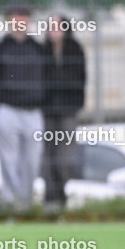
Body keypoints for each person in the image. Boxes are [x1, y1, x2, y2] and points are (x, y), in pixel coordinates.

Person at [0, 5, 46, 214]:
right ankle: (9, 201)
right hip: (8, 108)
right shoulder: (0, 48)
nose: (19, 22)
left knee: (32, 160)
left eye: (23, 18)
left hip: (32, 110)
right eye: (15, 18)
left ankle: (26, 201)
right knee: (8, 159)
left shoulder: (37, 48)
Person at [41, 14, 86, 212]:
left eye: (57, 27)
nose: (54, 31)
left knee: (65, 156)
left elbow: (79, 80)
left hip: (68, 111)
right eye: (51, 27)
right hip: (47, 111)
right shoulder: (43, 51)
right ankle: (51, 197)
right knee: (46, 156)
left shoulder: (75, 50)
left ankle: (64, 192)